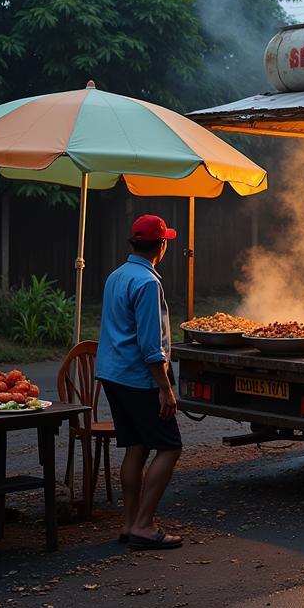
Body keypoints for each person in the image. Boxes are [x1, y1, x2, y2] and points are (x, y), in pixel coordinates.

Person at [96, 215, 183, 550]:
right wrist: (165, 388)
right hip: (138, 378)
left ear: (134, 243)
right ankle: (144, 525)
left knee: (136, 445)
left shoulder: (116, 276)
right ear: (161, 246)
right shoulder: (148, 283)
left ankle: (129, 523)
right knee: (170, 445)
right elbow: (150, 344)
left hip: (113, 374)